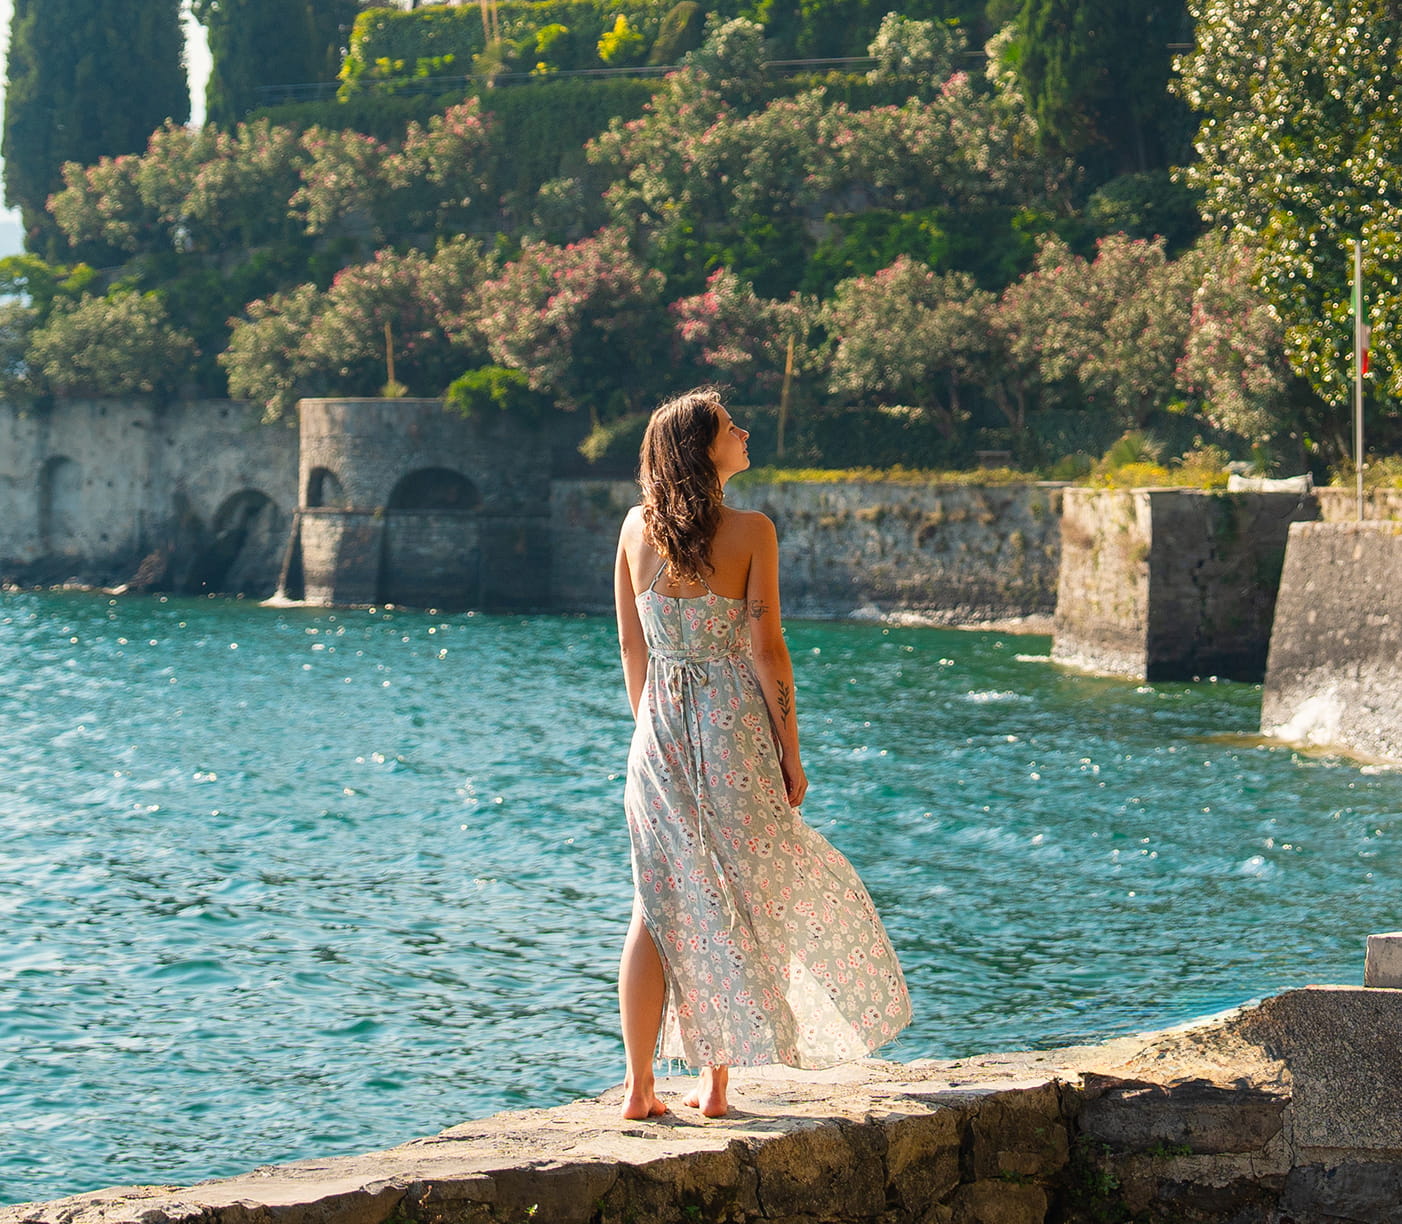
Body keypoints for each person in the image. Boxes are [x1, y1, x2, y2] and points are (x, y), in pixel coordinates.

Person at [614, 387, 912, 1120]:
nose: (744, 433)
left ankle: (639, 1090)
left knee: (657, 906)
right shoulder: (751, 532)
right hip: (732, 729)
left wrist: (652, 732)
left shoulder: (632, 529)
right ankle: (716, 1087)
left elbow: (630, 647)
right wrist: (792, 751)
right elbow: (768, 652)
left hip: (655, 732)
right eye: (729, 428)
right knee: (747, 893)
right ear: (701, 449)